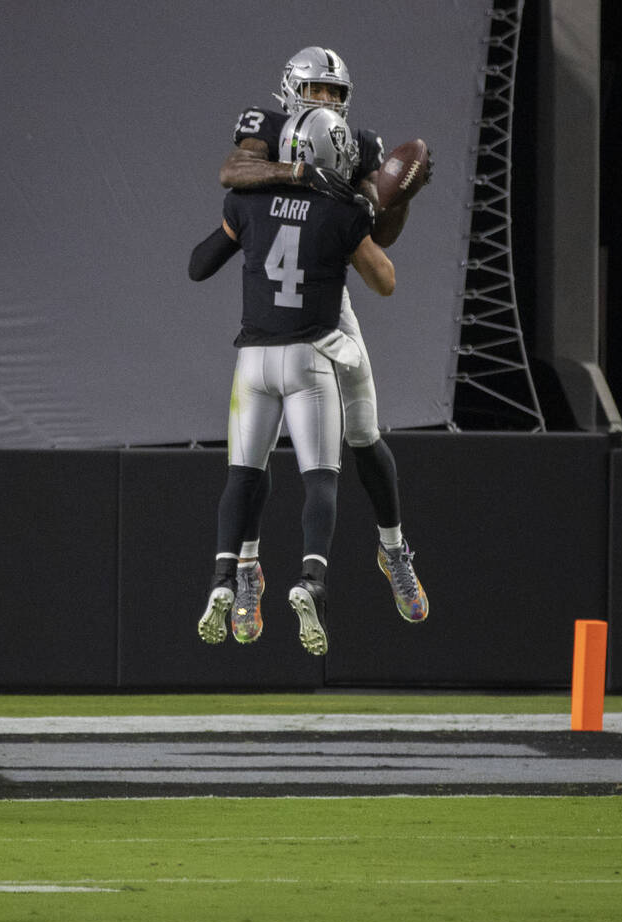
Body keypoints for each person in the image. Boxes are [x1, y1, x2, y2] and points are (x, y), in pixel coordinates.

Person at [217, 46, 428, 644]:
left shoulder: (357, 143)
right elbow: (233, 172)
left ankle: (394, 551)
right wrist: (302, 175)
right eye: (317, 90)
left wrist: (396, 195)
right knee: (250, 458)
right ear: (291, 89)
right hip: (268, 308)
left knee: (364, 433)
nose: (326, 102)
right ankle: (249, 570)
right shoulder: (266, 126)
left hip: (328, 305)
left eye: (335, 93)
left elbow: (372, 227)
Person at [190, 108, 396, 655]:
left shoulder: (249, 200)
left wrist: (243, 231)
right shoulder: (340, 211)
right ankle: (311, 579)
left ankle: (222, 579)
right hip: (309, 358)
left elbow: (199, 264)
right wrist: (362, 212)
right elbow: (385, 281)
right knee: (321, 479)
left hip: (253, 360)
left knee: (243, 475)